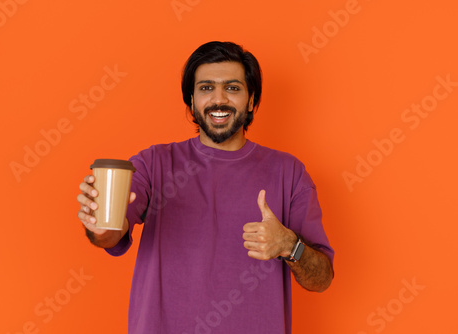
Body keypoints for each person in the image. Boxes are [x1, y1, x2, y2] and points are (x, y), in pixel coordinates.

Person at [77, 41, 334, 334]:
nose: (219, 99)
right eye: (206, 88)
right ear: (192, 100)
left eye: (233, 88)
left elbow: (322, 278)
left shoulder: (289, 173)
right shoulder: (154, 163)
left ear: (251, 101)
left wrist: (289, 244)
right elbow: (112, 231)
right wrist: (98, 223)